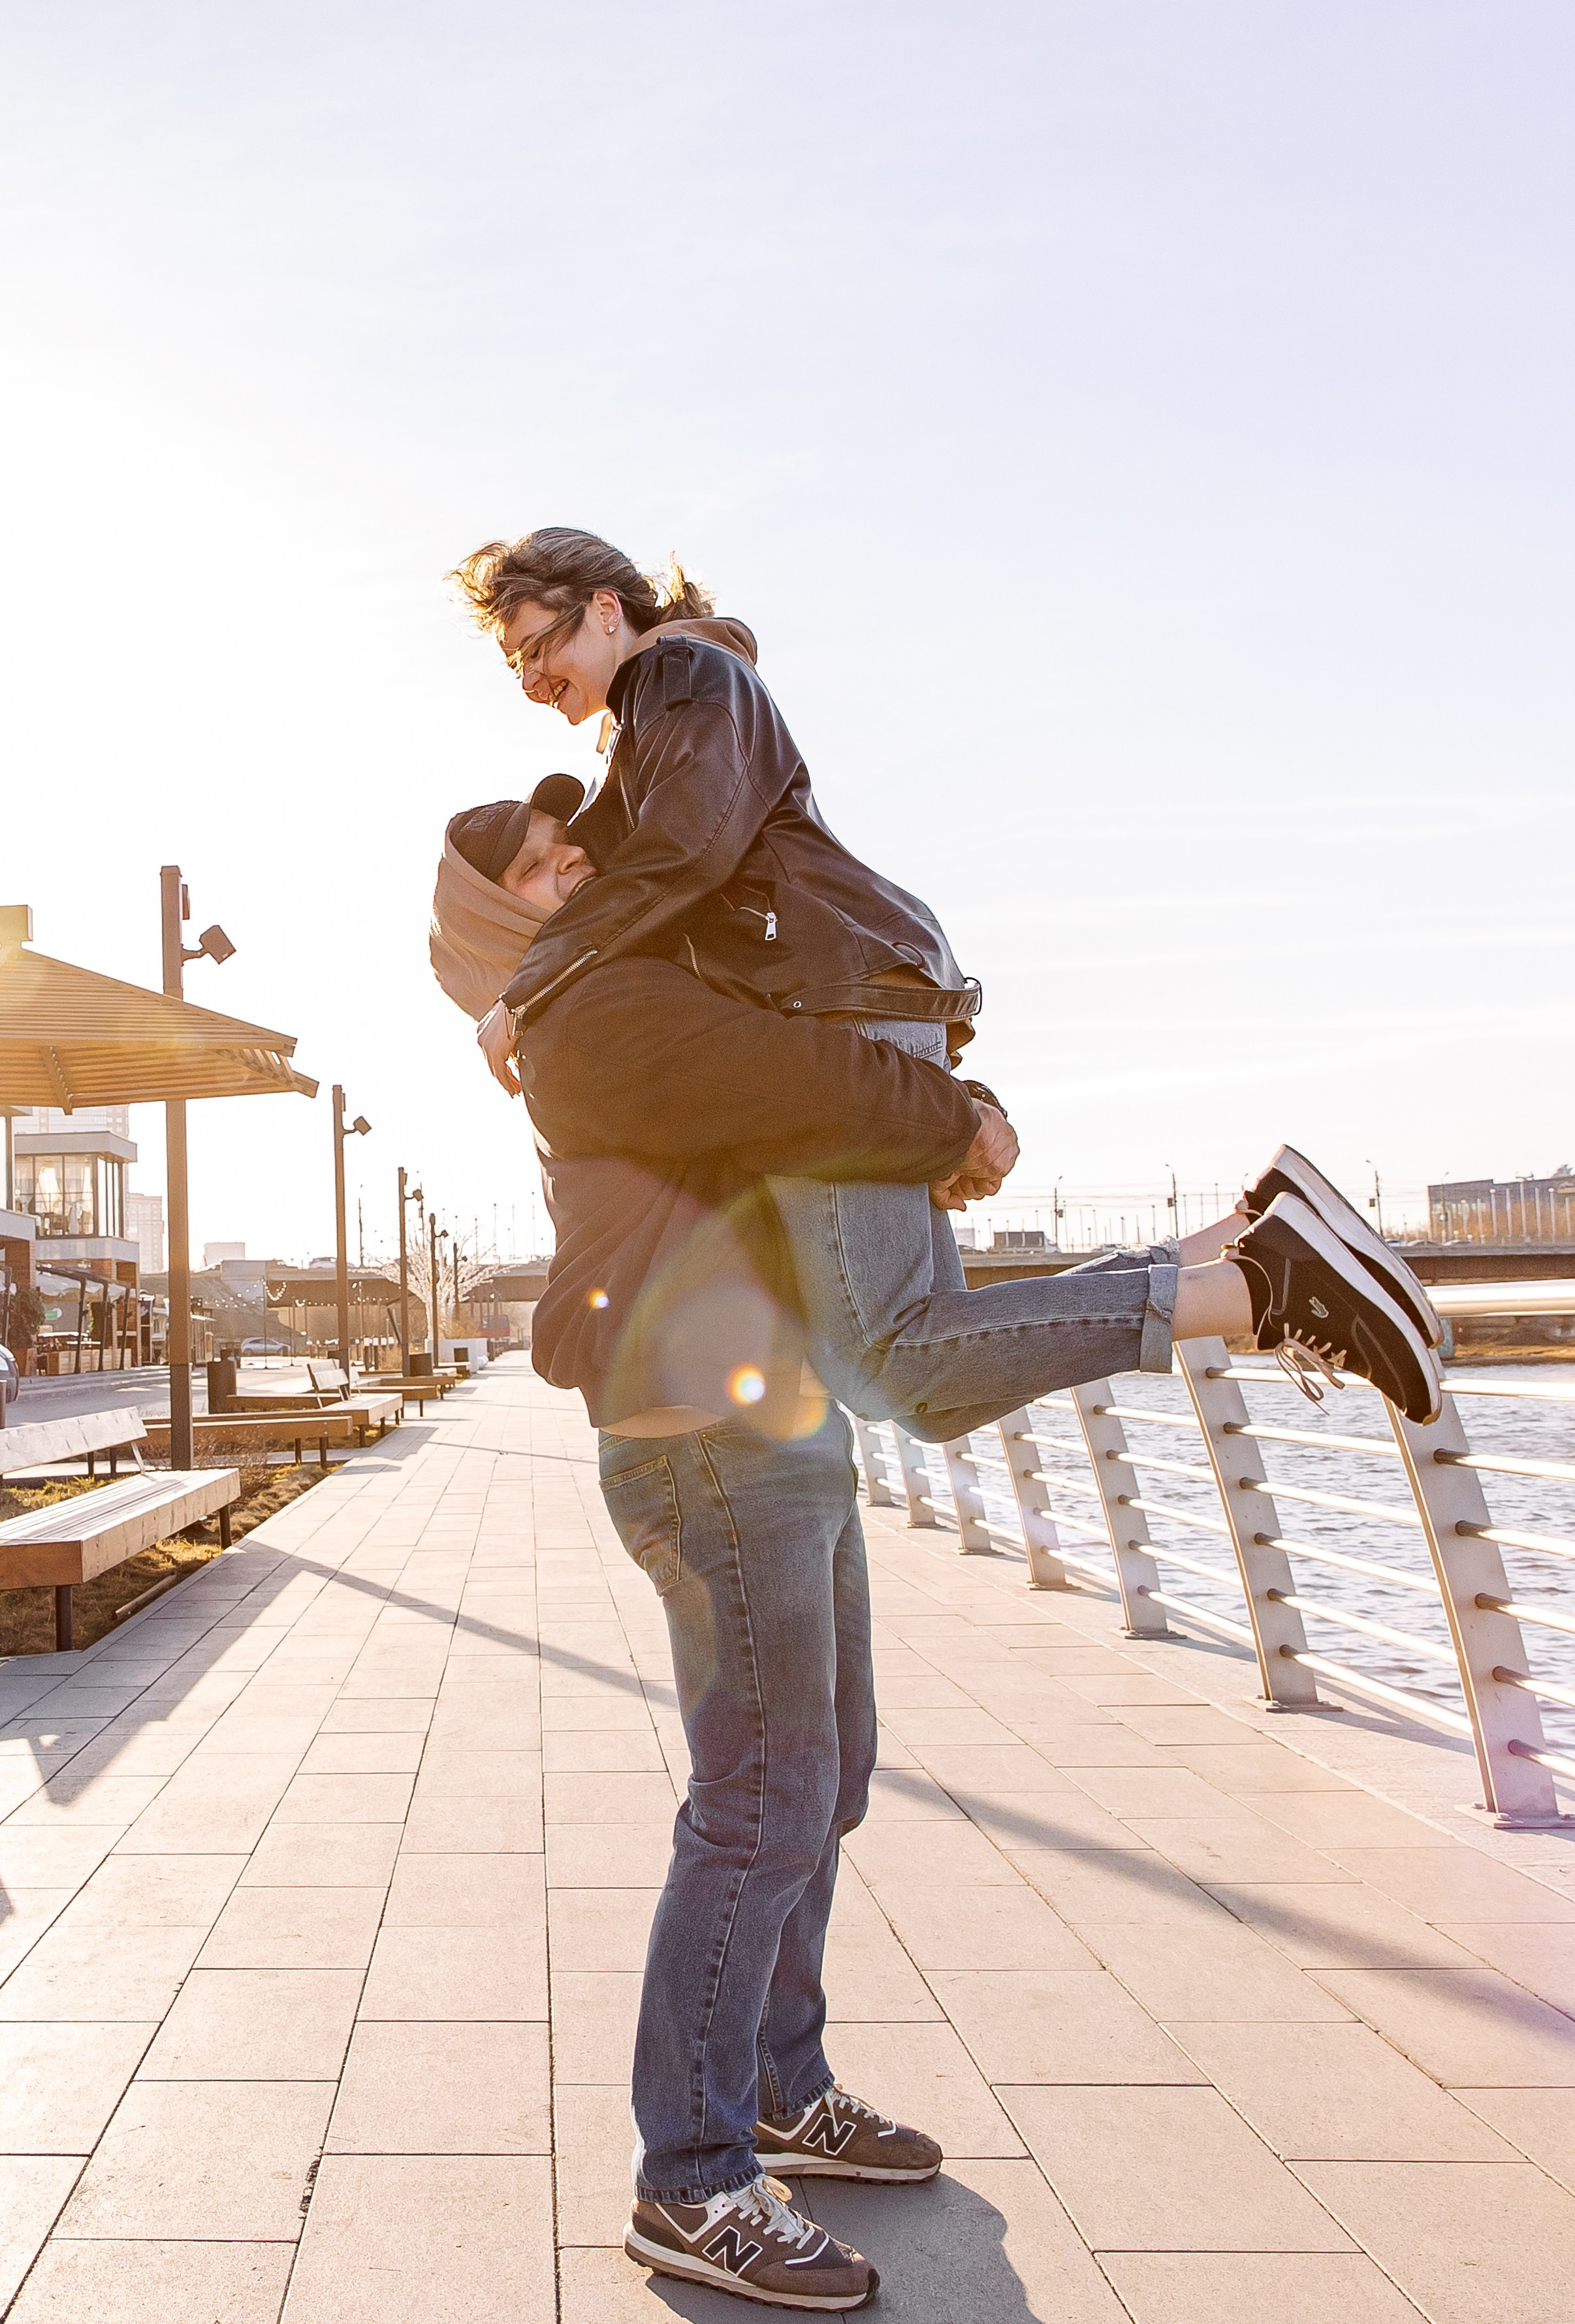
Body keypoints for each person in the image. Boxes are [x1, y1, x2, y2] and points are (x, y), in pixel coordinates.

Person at [429, 798, 1443, 2311]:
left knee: (825, 1778)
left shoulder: (628, 984)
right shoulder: (599, 1013)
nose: (584, 867)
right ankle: (691, 2179)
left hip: (777, 1426)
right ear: (497, 921)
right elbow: (789, 1082)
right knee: (756, 1805)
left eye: (580, 849)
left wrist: (934, 1114)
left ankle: (780, 2087)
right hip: (699, 1442)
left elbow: (804, 1072)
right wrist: (949, 1121)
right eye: (545, 867)